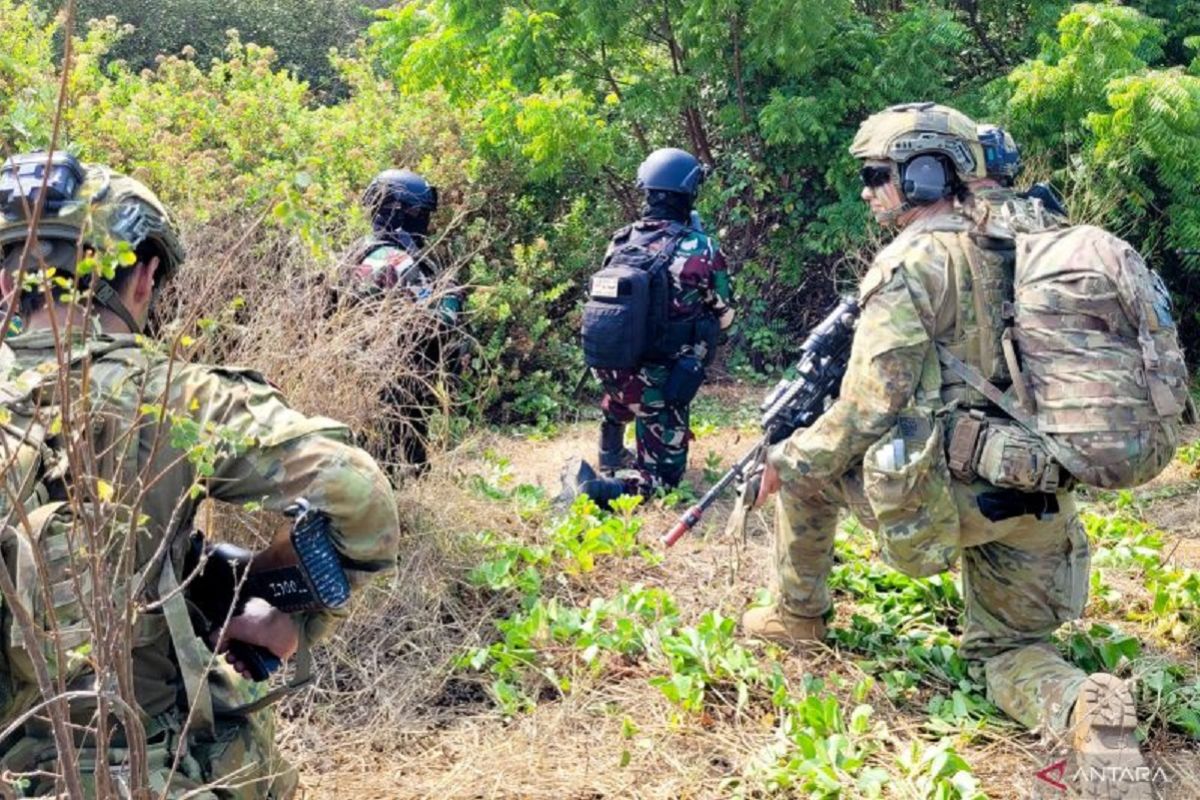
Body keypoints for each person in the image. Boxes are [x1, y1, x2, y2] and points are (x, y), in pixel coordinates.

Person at [743, 104, 1151, 795]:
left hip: (943, 498)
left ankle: (796, 618)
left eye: (878, 175)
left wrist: (790, 459)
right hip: (1040, 497)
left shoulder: (911, 262)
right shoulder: (1035, 240)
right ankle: (1082, 706)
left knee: (806, 470)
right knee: (1010, 651)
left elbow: (873, 404)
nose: (868, 190)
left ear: (927, 173)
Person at [0, 152, 400, 797]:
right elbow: (357, 489)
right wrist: (294, 621)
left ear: (5, 286)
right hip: (146, 759)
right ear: (144, 279)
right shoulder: (175, 398)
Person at [562, 147, 735, 507]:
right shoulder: (701, 246)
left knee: (630, 386)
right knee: (663, 484)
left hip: (612, 371)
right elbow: (724, 313)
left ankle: (610, 454)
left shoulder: (622, 239)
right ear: (689, 193)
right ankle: (596, 490)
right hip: (659, 384)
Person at [342, 168, 463, 474]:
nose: (423, 220)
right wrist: (450, 295)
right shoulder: (399, 261)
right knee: (402, 463)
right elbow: (439, 320)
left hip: (355, 372)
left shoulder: (354, 252)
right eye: (418, 212)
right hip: (399, 382)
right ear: (397, 211)